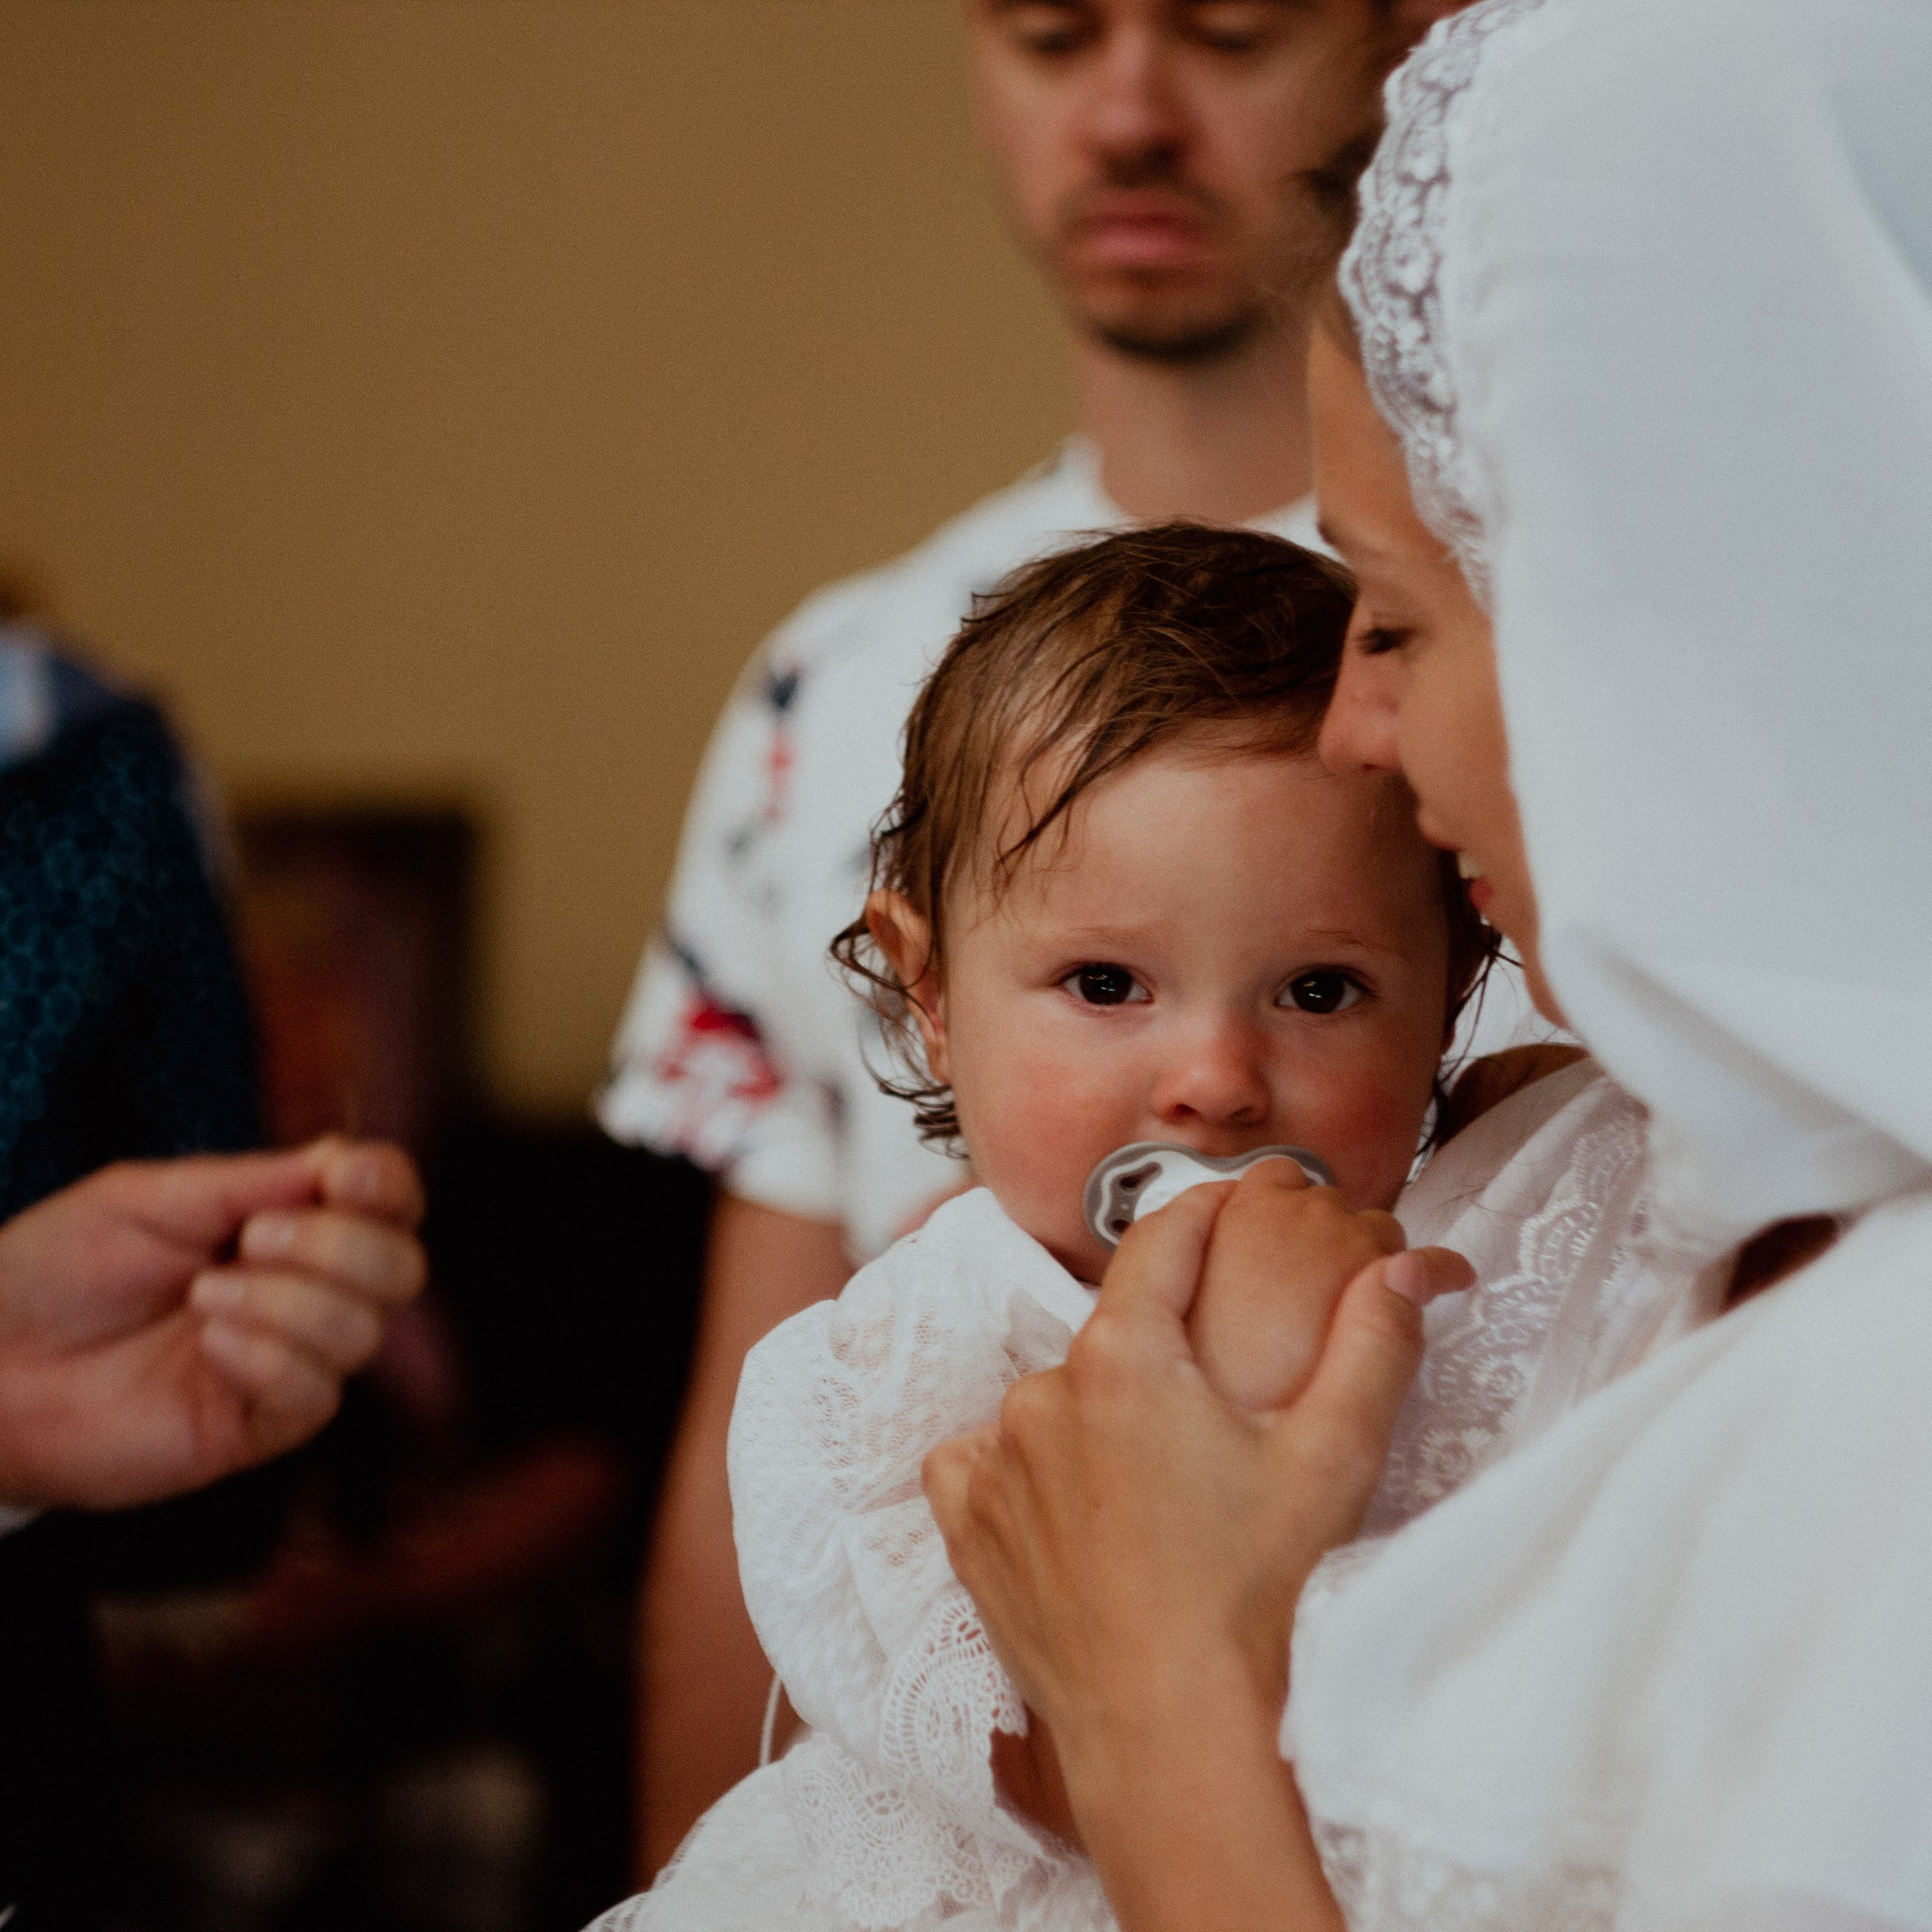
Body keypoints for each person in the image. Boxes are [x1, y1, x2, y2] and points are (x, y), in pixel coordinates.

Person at [924, 1, 1932, 1925]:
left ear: (1669, 622)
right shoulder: (1594, 1186)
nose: (1349, 736)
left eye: (1387, 618)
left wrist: (1150, 1701)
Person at [601, 0, 1492, 1864]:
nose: (1131, 110)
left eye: (1230, 28)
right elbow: (737, 1456)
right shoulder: (821, 688)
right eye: (1051, 32)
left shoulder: (1510, 675)